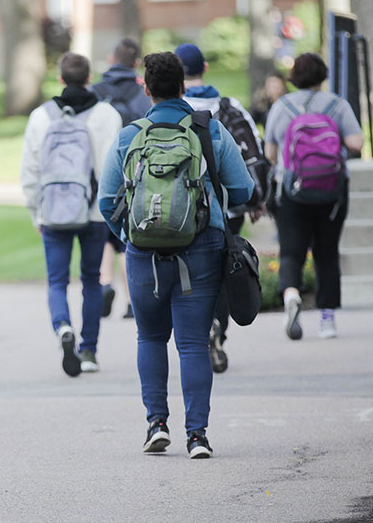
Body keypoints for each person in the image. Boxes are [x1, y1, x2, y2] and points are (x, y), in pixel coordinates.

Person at [98, 51, 254, 459]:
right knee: (191, 343)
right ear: (183, 86)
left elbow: (105, 201)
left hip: (142, 254)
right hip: (200, 248)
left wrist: (132, 237)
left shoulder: (129, 135)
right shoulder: (209, 130)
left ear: (146, 89)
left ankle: (156, 424)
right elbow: (243, 191)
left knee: (150, 336)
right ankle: (197, 435)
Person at [20, 52, 123, 376]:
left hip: (54, 210)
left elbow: (30, 169)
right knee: (92, 280)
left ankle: (63, 326)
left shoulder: (41, 116)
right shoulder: (108, 115)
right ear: (89, 78)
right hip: (94, 212)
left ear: (61, 80)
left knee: (57, 281)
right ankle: (89, 349)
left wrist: (36, 210)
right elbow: (117, 167)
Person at [176, 42, 270, 374]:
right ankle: (219, 328)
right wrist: (257, 199)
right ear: (205, 67)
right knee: (222, 273)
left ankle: (203, 329)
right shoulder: (229, 108)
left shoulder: (176, 111)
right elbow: (254, 152)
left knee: (194, 276)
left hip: (185, 212)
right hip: (228, 210)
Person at [264, 53, 365, 341]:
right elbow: (357, 142)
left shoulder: (281, 107)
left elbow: (270, 154)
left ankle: (292, 295)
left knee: (291, 251)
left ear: (294, 78)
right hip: (332, 191)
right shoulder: (337, 105)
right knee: (327, 252)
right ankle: (327, 319)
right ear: (323, 75)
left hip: (292, 191)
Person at [90, 37, 150, 319]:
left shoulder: (97, 91)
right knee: (128, 240)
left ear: (112, 59)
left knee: (103, 232)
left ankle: (104, 284)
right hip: (135, 171)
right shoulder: (142, 93)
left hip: (100, 170)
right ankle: (130, 301)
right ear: (137, 63)